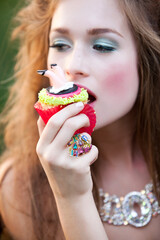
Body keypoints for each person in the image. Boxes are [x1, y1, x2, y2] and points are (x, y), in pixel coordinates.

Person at [0, 0, 160, 239]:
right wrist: (71, 197)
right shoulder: (20, 191)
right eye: (60, 44)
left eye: (103, 46)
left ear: (148, 57)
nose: (72, 66)